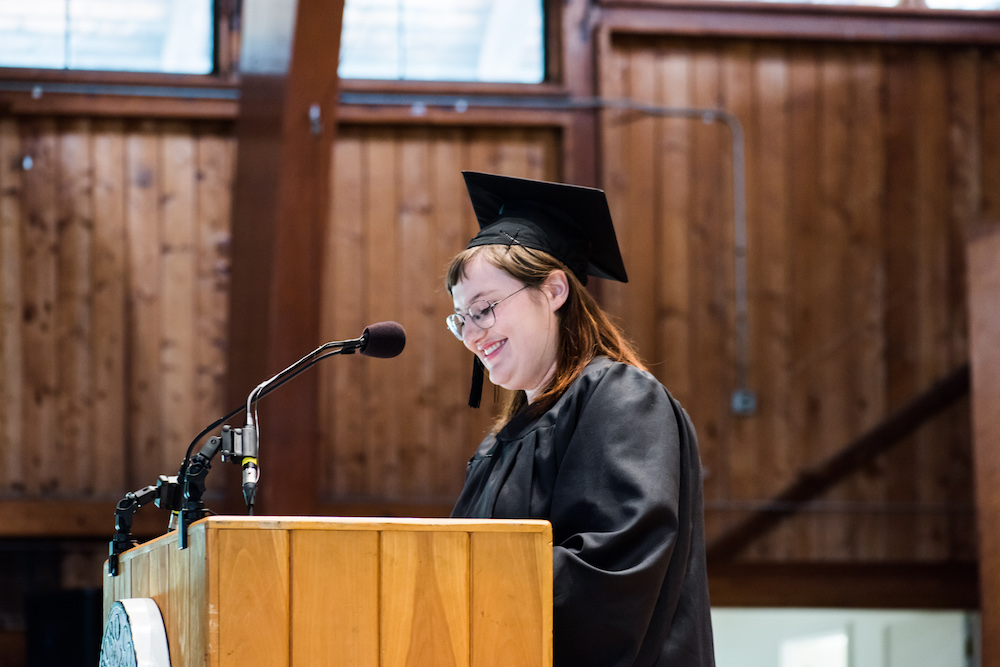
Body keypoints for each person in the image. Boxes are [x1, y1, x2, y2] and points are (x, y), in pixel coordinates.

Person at [445, 171, 716, 667]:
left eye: (483, 309)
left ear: (553, 290)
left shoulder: (621, 399)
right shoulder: (497, 447)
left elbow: (611, 573)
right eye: (460, 319)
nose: (471, 334)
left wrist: (461, 581)